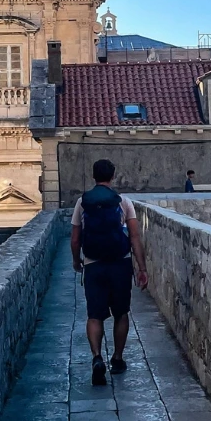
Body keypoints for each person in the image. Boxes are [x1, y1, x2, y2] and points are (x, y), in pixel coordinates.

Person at [70, 159, 148, 386]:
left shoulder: (82, 202)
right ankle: (117, 358)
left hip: (93, 264)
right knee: (121, 313)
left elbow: (75, 238)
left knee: (95, 315)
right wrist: (141, 268)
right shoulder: (123, 202)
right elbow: (134, 237)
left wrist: (77, 261)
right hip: (120, 264)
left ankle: (96, 357)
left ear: (94, 176)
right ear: (113, 176)